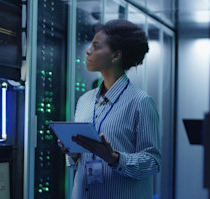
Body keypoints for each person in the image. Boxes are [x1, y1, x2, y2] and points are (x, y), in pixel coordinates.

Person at [57, 19, 161, 199]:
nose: (88, 51)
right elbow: (77, 162)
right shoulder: (84, 100)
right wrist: (73, 153)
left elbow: (152, 162)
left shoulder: (141, 102)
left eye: (96, 46)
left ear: (115, 56)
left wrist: (114, 158)